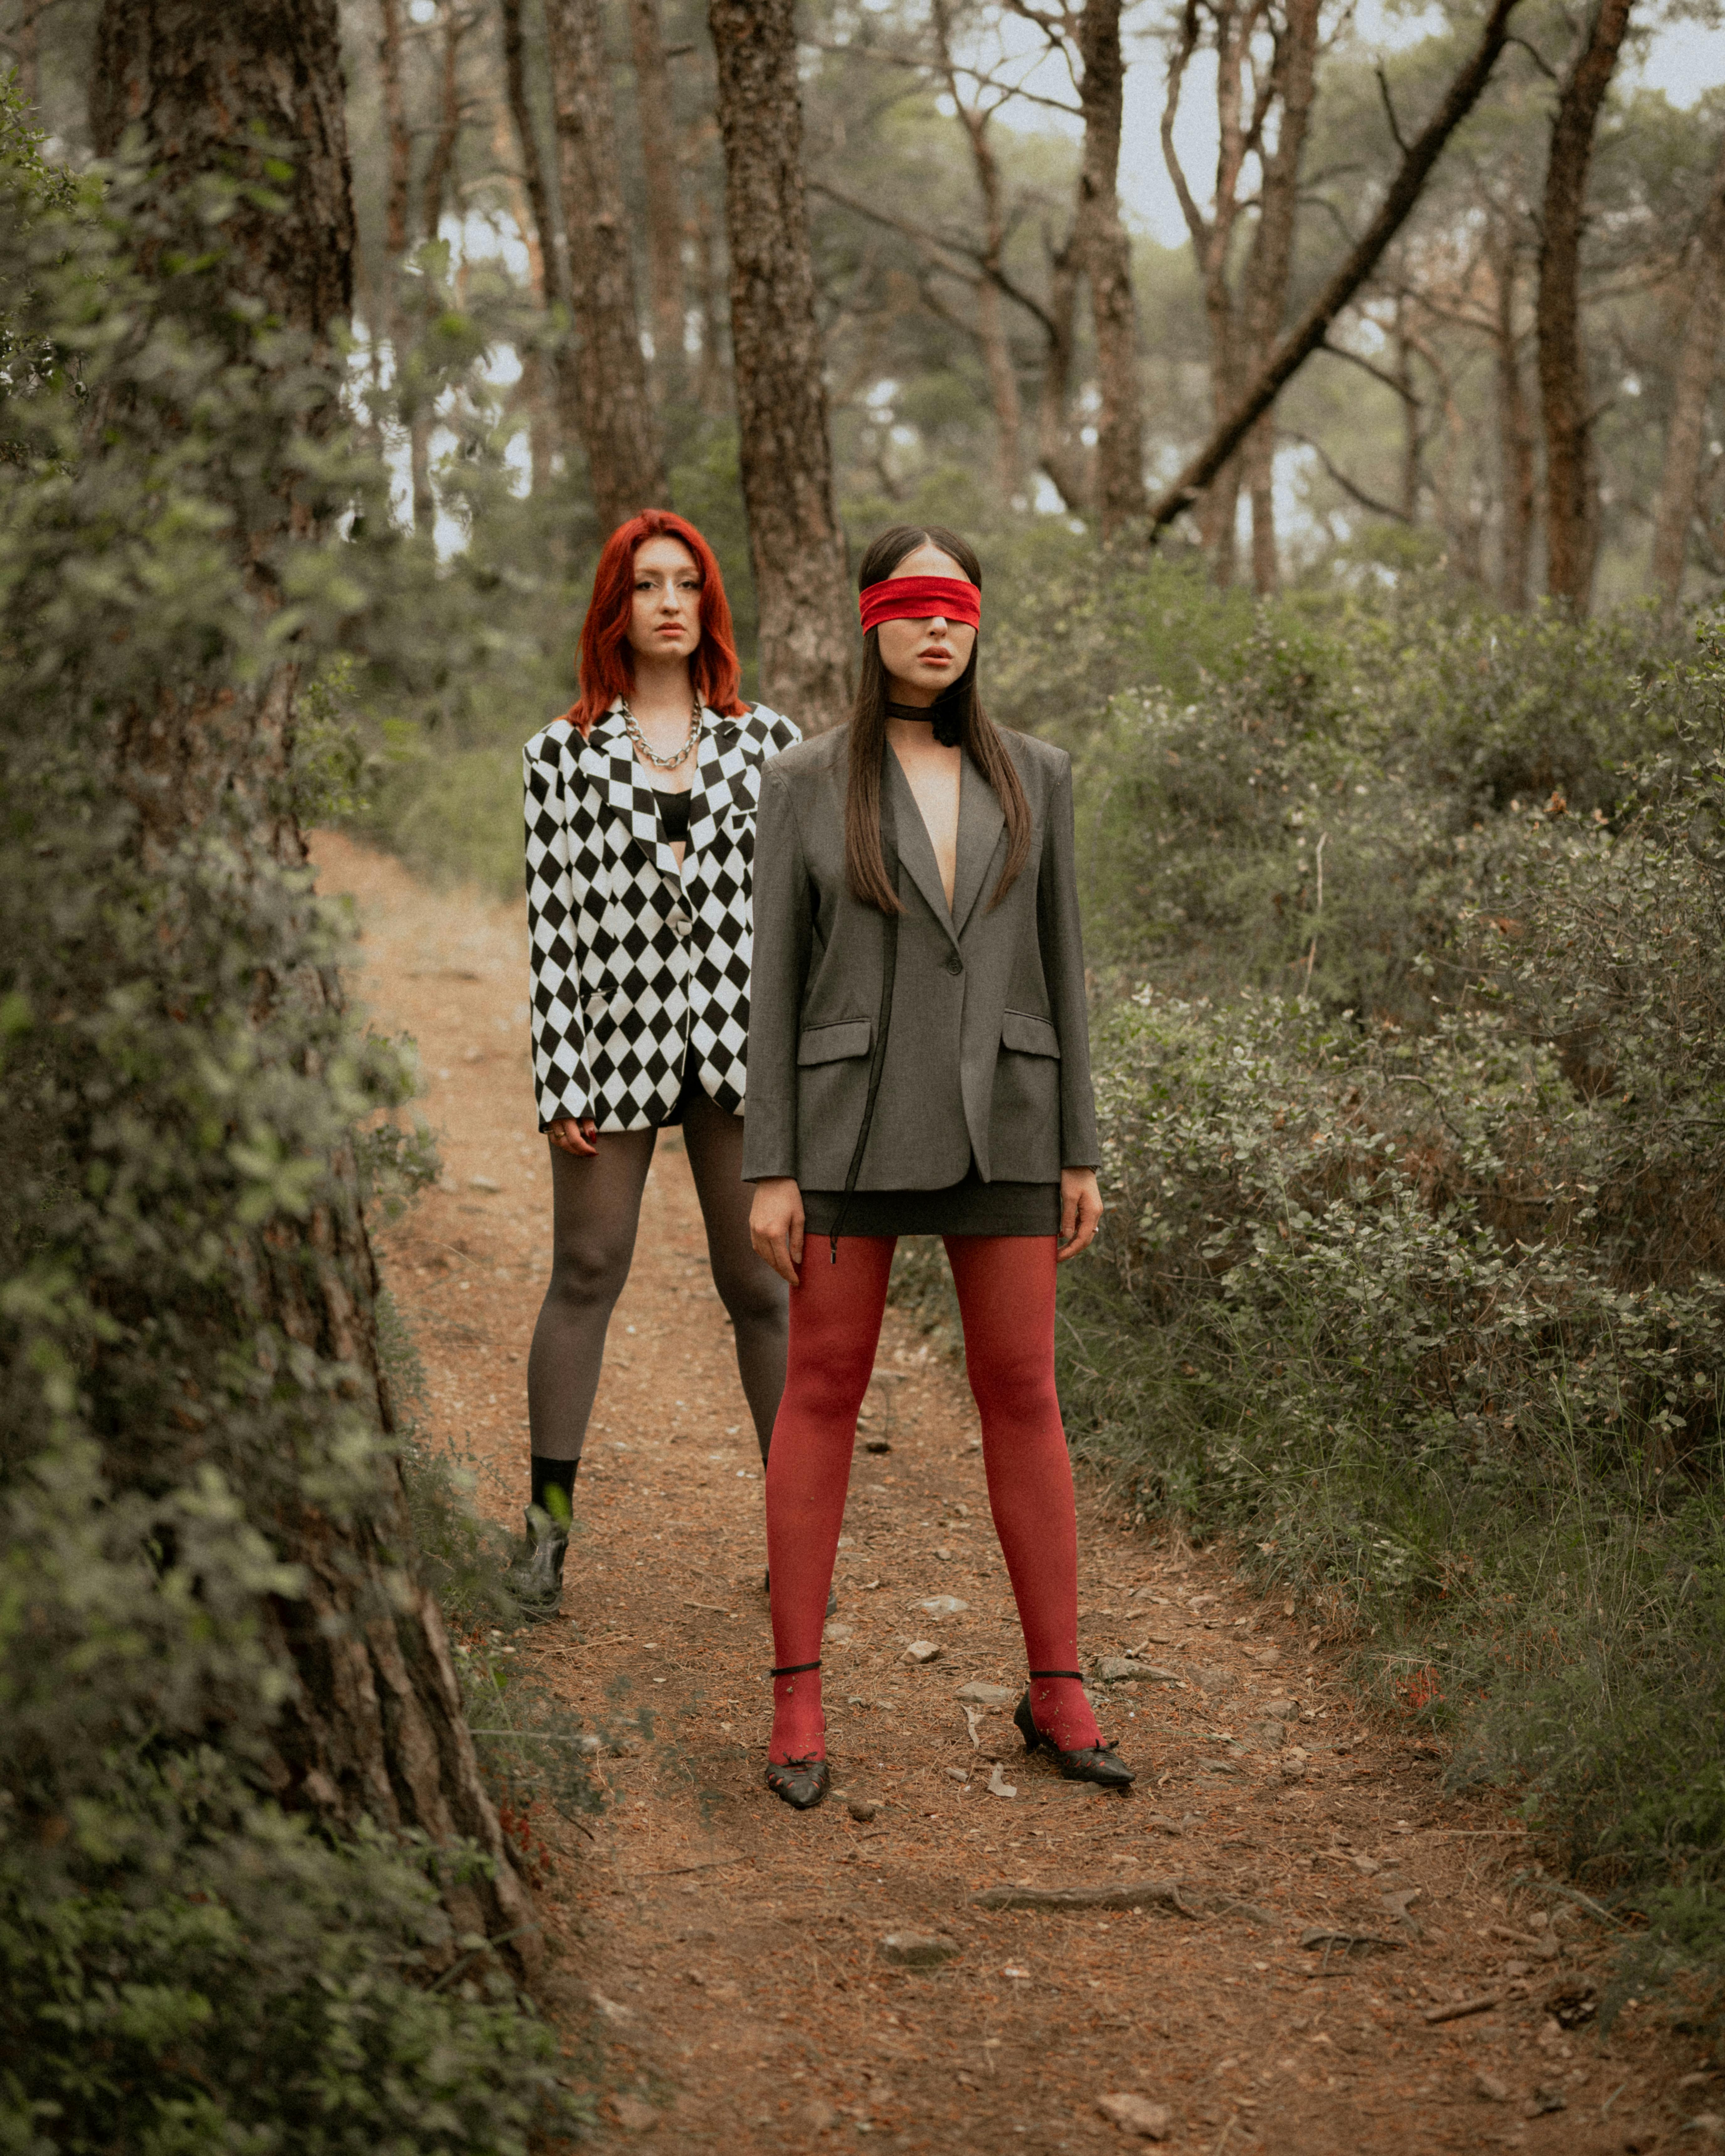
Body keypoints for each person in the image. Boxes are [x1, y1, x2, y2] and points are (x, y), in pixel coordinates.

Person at [743, 523, 1134, 1810]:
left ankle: (1059, 1687)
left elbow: (1059, 965)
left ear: (976, 624)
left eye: (954, 607)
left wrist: (1078, 1143)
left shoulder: (1038, 775)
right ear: (871, 624)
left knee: (1022, 1390)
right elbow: (774, 982)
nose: (934, 626)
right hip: (847, 1123)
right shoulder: (805, 779)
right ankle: (797, 1697)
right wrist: (771, 1166)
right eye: (909, 606)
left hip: (1009, 1122)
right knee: (823, 1389)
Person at [508, 509, 800, 1619]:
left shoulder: (771, 745)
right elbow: (551, 925)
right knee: (586, 1271)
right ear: (615, 608)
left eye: (687, 583)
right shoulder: (558, 756)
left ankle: (798, 1534)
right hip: (611, 1043)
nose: (669, 602)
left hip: (741, 1048)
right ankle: (547, 1531)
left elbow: (796, 920)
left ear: (707, 603)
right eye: (647, 585)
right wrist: (560, 1075)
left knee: (759, 1289)